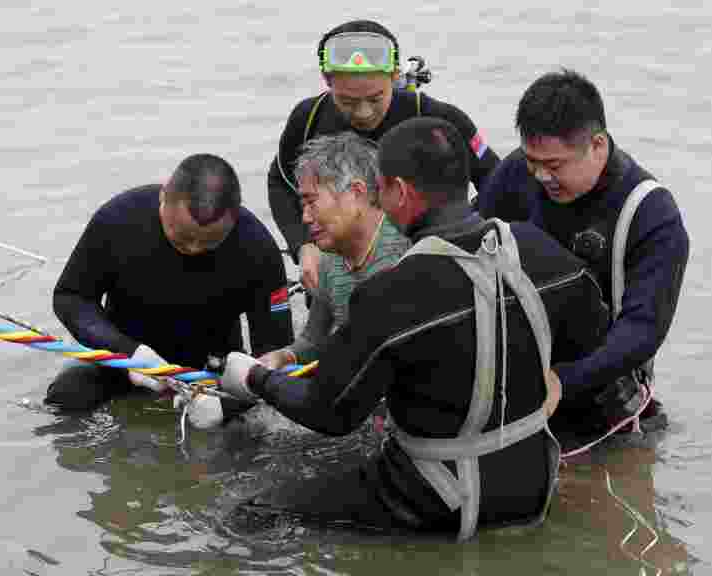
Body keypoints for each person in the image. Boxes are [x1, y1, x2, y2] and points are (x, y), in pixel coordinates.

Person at [217, 117, 609, 541]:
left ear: (398, 193)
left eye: (382, 188)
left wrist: (254, 378)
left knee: (253, 514)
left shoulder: (389, 293)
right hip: (531, 484)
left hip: (435, 496)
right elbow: (591, 335)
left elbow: (328, 413)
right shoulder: (541, 250)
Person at [476, 68, 690, 447]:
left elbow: (642, 330)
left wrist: (562, 380)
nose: (541, 176)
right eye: (532, 161)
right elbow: (469, 245)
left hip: (602, 399)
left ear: (598, 145)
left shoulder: (651, 214)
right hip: (515, 381)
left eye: (555, 165)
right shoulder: (515, 173)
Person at [45, 153, 294, 424]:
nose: (194, 249)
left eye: (210, 242)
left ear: (234, 220)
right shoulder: (119, 219)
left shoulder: (257, 249)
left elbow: (273, 357)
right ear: (164, 197)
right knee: (67, 393)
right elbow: (71, 297)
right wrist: (128, 353)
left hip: (209, 372)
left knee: (235, 434)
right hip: (125, 361)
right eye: (183, 236)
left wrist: (228, 406)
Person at [268, 19, 500, 295]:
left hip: (427, 275)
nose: (364, 112)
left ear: (394, 76)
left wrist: (462, 240)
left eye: (376, 98)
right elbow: (280, 182)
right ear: (327, 81)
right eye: (348, 101)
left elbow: (498, 183)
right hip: (339, 279)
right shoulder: (308, 119)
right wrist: (303, 245)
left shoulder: (439, 120)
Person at [258, 131, 410, 371]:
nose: (305, 218)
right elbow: (313, 340)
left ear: (356, 193)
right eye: (302, 205)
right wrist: (280, 358)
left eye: (312, 202)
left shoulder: (408, 249)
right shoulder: (331, 257)